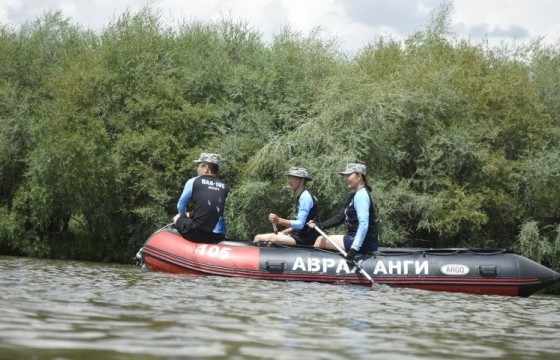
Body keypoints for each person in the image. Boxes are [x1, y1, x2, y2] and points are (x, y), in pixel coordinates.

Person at [310, 163, 378, 264]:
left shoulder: (362, 195)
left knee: (320, 240)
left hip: (365, 242)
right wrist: (319, 225)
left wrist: (354, 249)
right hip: (354, 238)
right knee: (322, 239)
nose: (346, 178)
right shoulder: (354, 196)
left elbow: (364, 224)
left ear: (359, 176)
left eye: (349, 175)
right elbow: (340, 218)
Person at [253, 167, 320, 246]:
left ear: (302, 180)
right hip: (299, 236)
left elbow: (300, 224)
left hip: (304, 239)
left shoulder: (305, 197)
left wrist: (278, 220)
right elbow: (302, 225)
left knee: (259, 238)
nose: (290, 181)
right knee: (262, 237)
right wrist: (282, 233)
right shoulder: (302, 195)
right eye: (290, 178)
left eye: (293, 178)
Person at [173, 152, 229, 243]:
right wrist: (190, 214)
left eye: (199, 165)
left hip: (197, 233)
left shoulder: (193, 181)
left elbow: (180, 206)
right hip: (218, 235)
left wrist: (182, 217)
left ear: (206, 168)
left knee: (177, 218)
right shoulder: (224, 186)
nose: (197, 168)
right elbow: (212, 209)